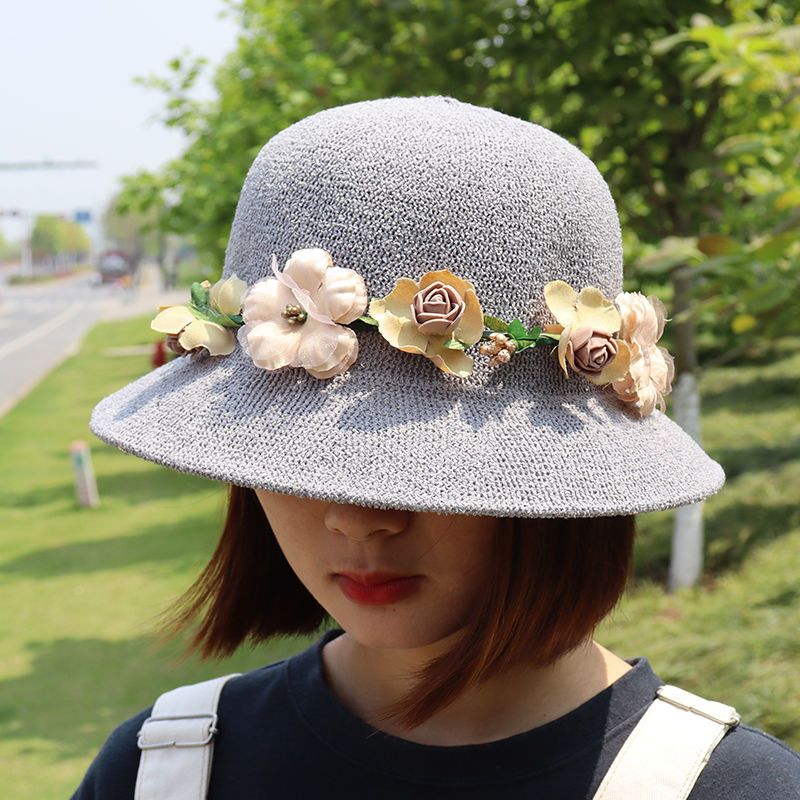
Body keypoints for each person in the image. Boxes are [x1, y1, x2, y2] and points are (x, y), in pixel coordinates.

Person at [72, 95, 800, 799]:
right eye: (303, 461)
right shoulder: (161, 772)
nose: (358, 519)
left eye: (425, 469)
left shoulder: (733, 789)